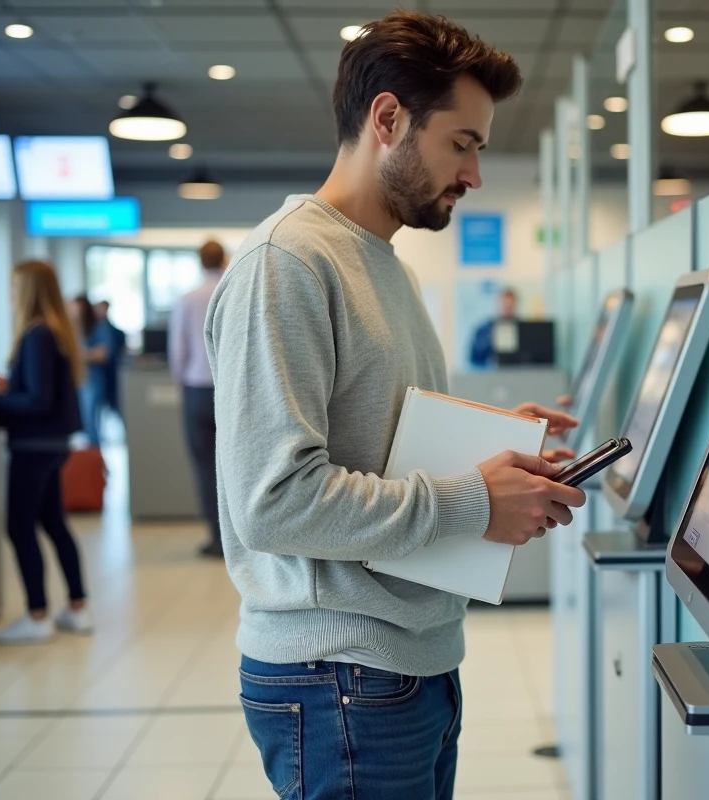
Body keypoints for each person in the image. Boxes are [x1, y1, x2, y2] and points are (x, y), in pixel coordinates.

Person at [204, 12, 584, 799]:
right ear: (388, 119)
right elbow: (272, 504)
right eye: (463, 143)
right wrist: (477, 499)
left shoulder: (384, 265)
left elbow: (376, 439)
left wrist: (494, 442)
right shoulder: (287, 263)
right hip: (339, 674)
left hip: (407, 661)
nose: (474, 174)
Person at [0, 261, 92, 644]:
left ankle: (37, 614)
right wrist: (10, 387)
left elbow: (38, 400)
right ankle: (77, 608)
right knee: (53, 522)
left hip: (34, 445)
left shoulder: (36, 334)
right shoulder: (57, 332)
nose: (9, 295)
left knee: (19, 526)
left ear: (27, 291)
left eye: (13, 287)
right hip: (53, 444)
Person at [170, 241, 226, 558]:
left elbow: (178, 350)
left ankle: (216, 539)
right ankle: (239, 539)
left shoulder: (188, 299)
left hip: (197, 389)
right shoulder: (235, 290)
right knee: (235, 466)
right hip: (230, 391)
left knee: (205, 466)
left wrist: (180, 385)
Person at [68, 296, 113, 446]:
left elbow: (102, 354)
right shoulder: (71, 328)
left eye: (76, 307)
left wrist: (79, 355)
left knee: (91, 422)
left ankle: (96, 463)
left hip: (92, 379)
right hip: (78, 380)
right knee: (84, 424)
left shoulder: (97, 327)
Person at [93, 300, 126, 421]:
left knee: (117, 405)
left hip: (113, 372)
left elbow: (107, 353)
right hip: (100, 373)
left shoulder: (116, 332)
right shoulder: (94, 329)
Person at [469, 287, 517, 367]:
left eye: (510, 307)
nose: (507, 311)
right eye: (505, 306)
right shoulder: (483, 330)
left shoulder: (521, 331)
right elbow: (474, 359)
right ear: (498, 304)